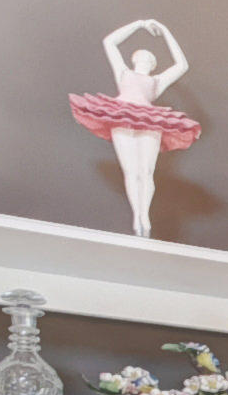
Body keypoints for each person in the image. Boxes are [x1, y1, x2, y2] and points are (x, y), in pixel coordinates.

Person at [67, 19, 198, 239]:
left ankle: (144, 215)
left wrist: (164, 30)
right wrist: (139, 24)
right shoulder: (124, 73)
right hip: (122, 115)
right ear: (134, 59)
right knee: (130, 170)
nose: (145, 59)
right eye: (141, 56)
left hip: (150, 120)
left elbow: (181, 65)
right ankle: (137, 214)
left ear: (154, 64)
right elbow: (110, 42)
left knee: (146, 171)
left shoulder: (156, 82)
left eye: (149, 58)